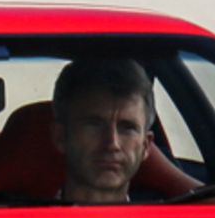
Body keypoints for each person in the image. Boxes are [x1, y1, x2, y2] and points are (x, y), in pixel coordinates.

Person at [50, 57, 200, 204]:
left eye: (127, 127)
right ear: (61, 136)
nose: (112, 143)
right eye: (94, 124)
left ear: (146, 146)